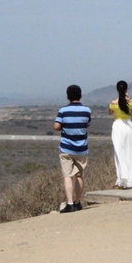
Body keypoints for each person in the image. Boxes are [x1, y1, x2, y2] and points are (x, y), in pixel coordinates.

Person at [53, 85, 91, 213]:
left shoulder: (63, 110)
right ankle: (78, 201)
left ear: (68, 96)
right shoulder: (87, 110)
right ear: (80, 95)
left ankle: (69, 204)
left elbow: (57, 126)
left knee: (68, 176)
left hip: (66, 148)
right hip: (81, 148)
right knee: (80, 175)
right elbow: (87, 125)